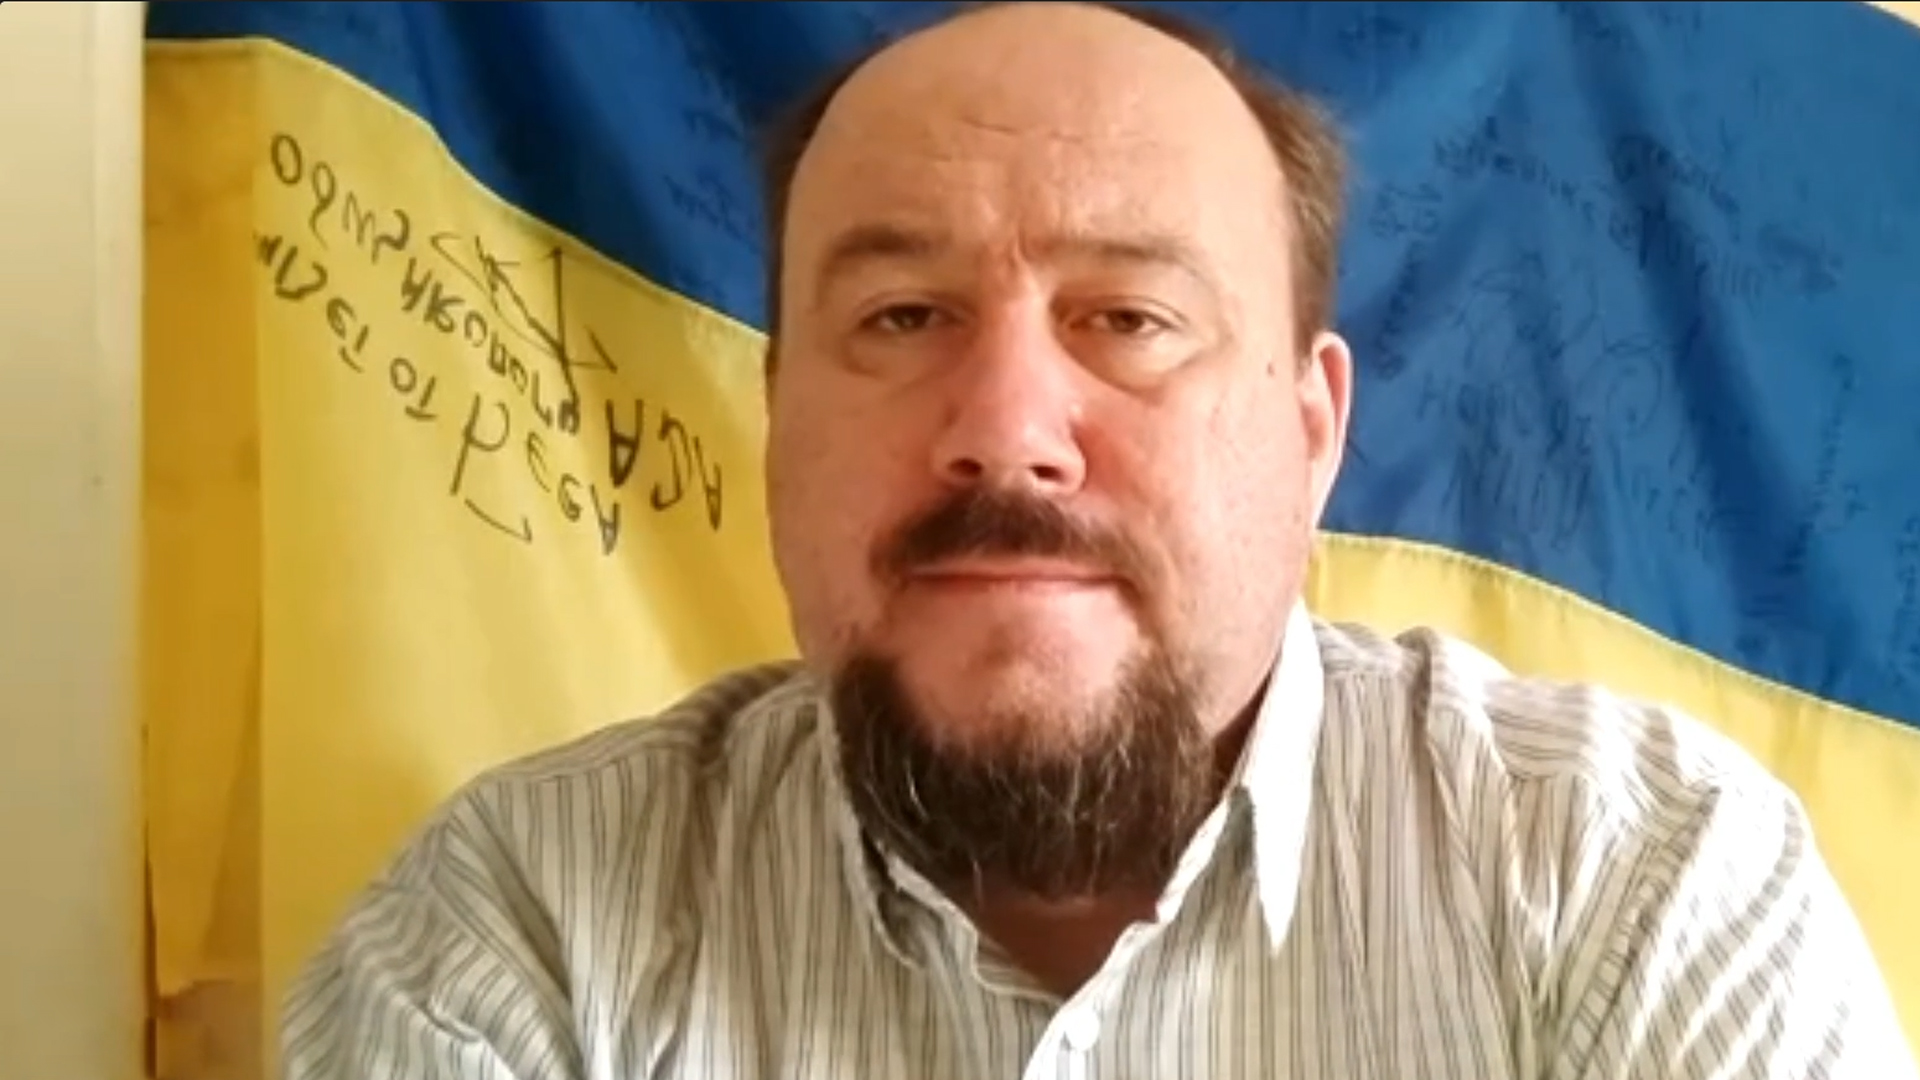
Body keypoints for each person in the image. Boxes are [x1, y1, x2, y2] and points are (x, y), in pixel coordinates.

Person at [280, 3, 1917, 1078]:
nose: (1006, 427)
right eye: (901, 314)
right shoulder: (524, 930)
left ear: (1311, 430)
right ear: (779, 414)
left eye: (1129, 318)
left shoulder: (1644, 882)